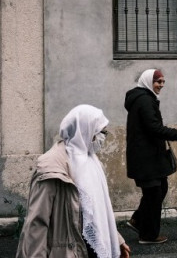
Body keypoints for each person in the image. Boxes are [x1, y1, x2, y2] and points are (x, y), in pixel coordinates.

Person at [16, 104, 131, 258]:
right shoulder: (51, 168)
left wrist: (116, 240)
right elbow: (37, 223)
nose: (104, 137)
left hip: (92, 249)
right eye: (102, 132)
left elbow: (97, 209)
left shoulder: (91, 161)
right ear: (85, 130)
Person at [124, 69, 177, 244]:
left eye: (162, 82)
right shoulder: (144, 100)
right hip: (145, 158)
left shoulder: (144, 98)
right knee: (154, 193)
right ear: (148, 81)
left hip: (150, 157)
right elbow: (153, 127)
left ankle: (138, 220)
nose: (161, 85)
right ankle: (148, 235)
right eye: (157, 81)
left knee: (159, 189)